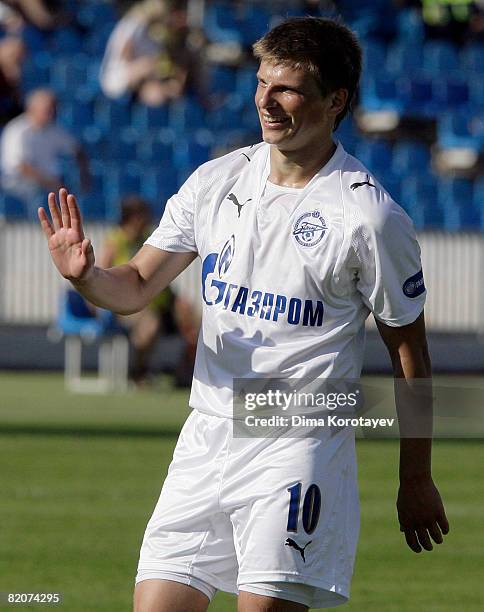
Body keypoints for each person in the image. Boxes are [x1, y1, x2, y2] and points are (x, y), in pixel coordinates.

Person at [38, 17, 449, 612]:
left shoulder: (369, 217)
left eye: (287, 89)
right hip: (204, 436)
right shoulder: (217, 180)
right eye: (261, 83)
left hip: (295, 446)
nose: (266, 100)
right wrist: (86, 277)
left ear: (336, 101)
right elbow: (133, 287)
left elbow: (409, 352)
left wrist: (415, 478)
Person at [98, 194, 198, 386]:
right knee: (149, 325)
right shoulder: (116, 241)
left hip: (162, 301)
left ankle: (186, 372)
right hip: (131, 305)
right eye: (143, 216)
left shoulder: (149, 237)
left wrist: (177, 301)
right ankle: (139, 371)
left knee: (195, 319)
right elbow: (102, 274)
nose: (148, 220)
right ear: (132, 218)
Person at [1, 88, 89, 217]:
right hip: (17, 187)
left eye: (53, 109)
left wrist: (84, 176)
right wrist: (52, 183)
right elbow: (20, 167)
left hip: (47, 187)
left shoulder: (53, 130)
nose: (52, 113)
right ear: (32, 108)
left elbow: (77, 149)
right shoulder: (17, 130)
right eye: (47, 109)